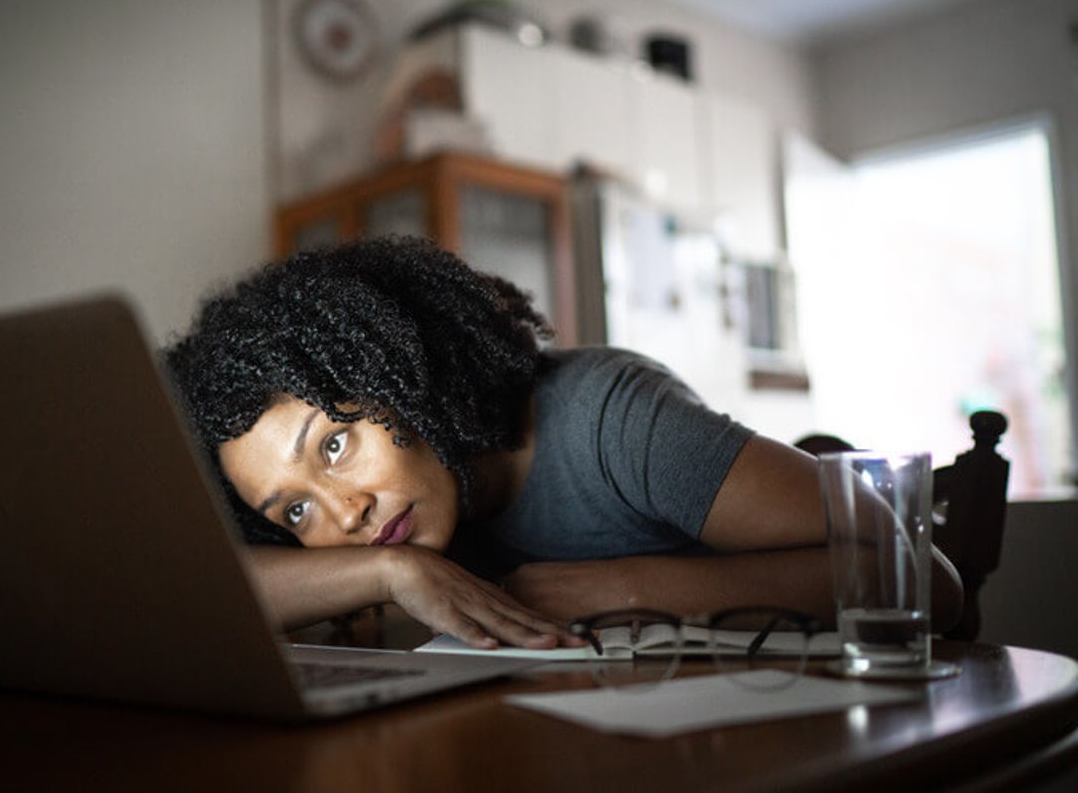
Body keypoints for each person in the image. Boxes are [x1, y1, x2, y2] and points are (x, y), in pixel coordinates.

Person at [165, 236, 962, 649]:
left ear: (405, 372)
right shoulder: (394, 529)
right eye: (294, 513)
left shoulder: (613, 421)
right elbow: (202, 592)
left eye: (334, 445)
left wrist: (617, 591)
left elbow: (925, 577)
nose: (344, 513)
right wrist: (388, 565)